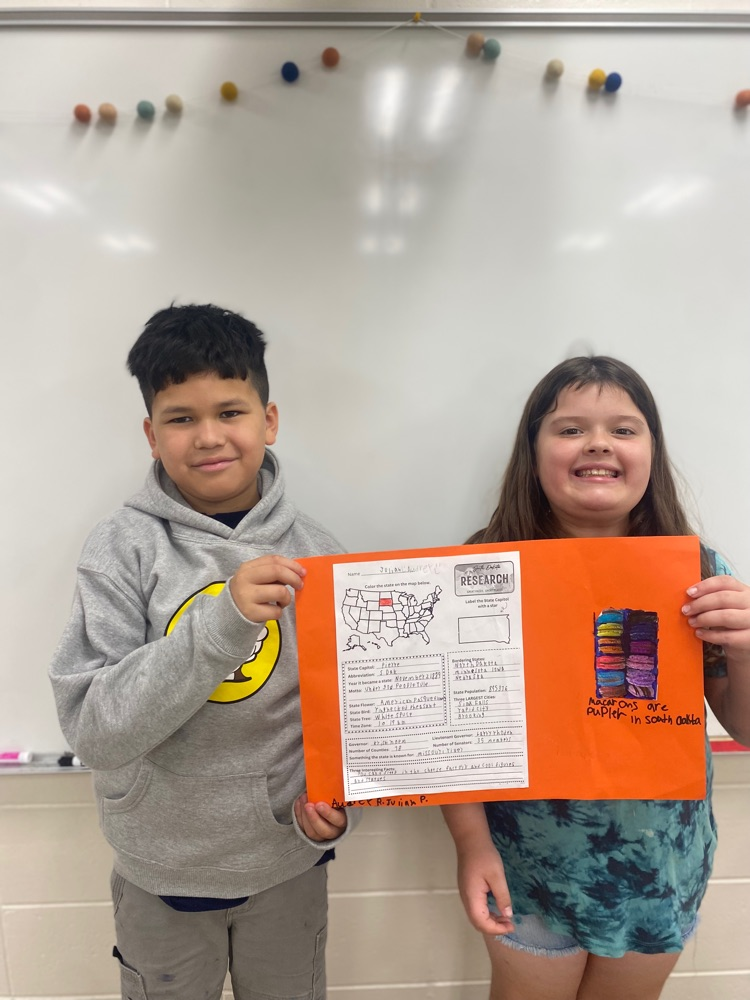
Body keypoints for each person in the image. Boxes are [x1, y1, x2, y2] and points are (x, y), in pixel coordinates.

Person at [49, 304, 357, 1000]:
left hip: (289, 864)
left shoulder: (319, 554)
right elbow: (95, 729)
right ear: (151, 435)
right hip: (162, 875)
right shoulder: (122, 549)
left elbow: (352, 717)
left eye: (230, 412)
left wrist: (341, 808)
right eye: (181, 418)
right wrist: (221, 625)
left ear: (268, 421)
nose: (209, 436)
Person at [441, 356, 750, 1000]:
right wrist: (471, 844)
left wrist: (745, 650)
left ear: (651, 453)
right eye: (570, 429)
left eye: (624, 429)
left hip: (658, 867)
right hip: (526, 863)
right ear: (533, 455)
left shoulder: (698, 570)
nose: (599, 443)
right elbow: (452, 730)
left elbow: (744, 727)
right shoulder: (481, 567)